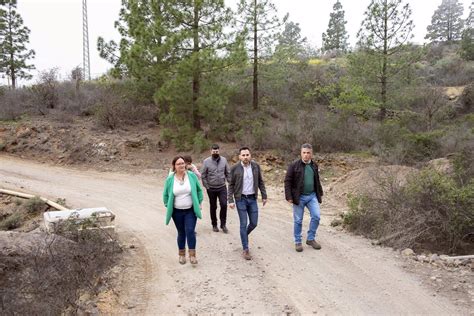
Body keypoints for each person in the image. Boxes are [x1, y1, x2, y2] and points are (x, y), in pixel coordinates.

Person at [228, 147, 267, 260]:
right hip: (241, 199)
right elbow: (230, 185)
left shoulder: (255, 166)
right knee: (243, 223)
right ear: (239, 156)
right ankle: (246, 249)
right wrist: (230, 200)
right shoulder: (235, 168)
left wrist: (264, 195)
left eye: (247, 155)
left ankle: (243, 235)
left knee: (254, 223)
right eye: (243, 155)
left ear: (250, 155)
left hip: (252, 199)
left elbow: (260, 181)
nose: (245, 157)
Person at [163, 156, 203, 265]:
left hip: (190, 210)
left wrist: (199, 203)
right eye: (178, 164)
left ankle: (192, 255)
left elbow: (199, 191)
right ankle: (181, 255)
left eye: (182, 163)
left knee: (190, 231)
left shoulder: (192, 176)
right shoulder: (170, 179)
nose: (181, 165)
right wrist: (168, 204)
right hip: (177, 212)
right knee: (181, 233)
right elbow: (166, 194)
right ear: (174, 166)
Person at [284, 143, 324, 252]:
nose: (306, 155)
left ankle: (310, 239)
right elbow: (287, 181)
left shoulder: (314, 165)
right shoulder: (294, 165)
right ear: (301, 153)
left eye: (308, 153)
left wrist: (319, 193)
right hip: (298, 197)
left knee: (316, 216)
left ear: (312, 154)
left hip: (312, 196)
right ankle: (298, 242)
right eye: (304, 153)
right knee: (298, 220)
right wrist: (289, 196)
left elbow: (317, 180)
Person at [201, 144, 231, 233]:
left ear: (219, 151)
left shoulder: (224, 160)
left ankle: (223, 225)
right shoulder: (206, 161)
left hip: (222, 187)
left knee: (224, 205)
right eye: (214, 151)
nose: (215, 152)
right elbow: (203, 175)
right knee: (213, 206)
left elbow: (228, 173)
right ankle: (214, 225)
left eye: (217, 151)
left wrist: (231, 184)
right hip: (211, 188)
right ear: (211, 151)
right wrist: (207, 186)